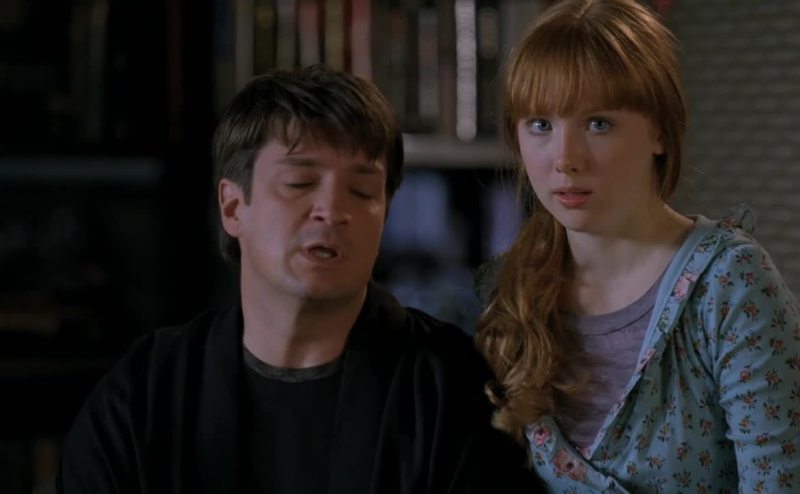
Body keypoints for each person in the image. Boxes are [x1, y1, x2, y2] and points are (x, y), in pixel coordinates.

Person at [57, 65, 538, 493]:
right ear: (233, 207)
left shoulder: (451, 387)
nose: (332, 210)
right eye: (299, 183)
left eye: (362, 190)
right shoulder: (146, 392)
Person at [475, 0, 800, 492]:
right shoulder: (513, 288)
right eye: (541, 124)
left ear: (660, 132)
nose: (565, 158)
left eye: (598, 123)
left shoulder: (729, 285)